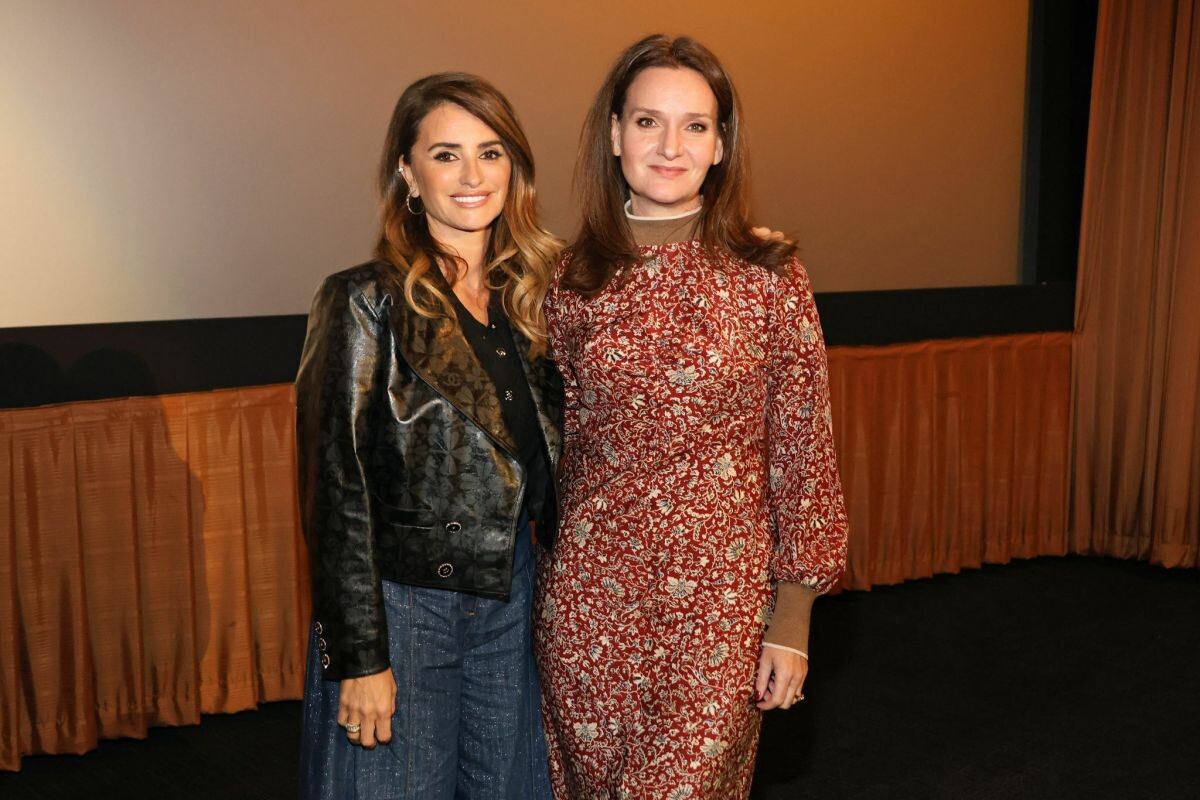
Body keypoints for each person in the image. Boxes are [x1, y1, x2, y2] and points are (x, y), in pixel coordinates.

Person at [534, 35, 849, 798]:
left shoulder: (768, 275)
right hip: (588, 601)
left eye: (695, 125)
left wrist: (793, 617)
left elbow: (804, 446)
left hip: (722, 606)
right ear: (615, 135)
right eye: (648, 122)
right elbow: (551, 445)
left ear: (720, 146)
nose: (670, 146)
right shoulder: (568, 280)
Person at [295, 72, 560, 800]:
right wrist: (359, 656)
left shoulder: (535, 298)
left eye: (491, 152)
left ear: (515, 169)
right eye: (446, 155)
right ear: (409, 174)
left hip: (513, 595)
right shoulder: (364, 299)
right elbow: (336, 488)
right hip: (405, 607)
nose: (472, 175)